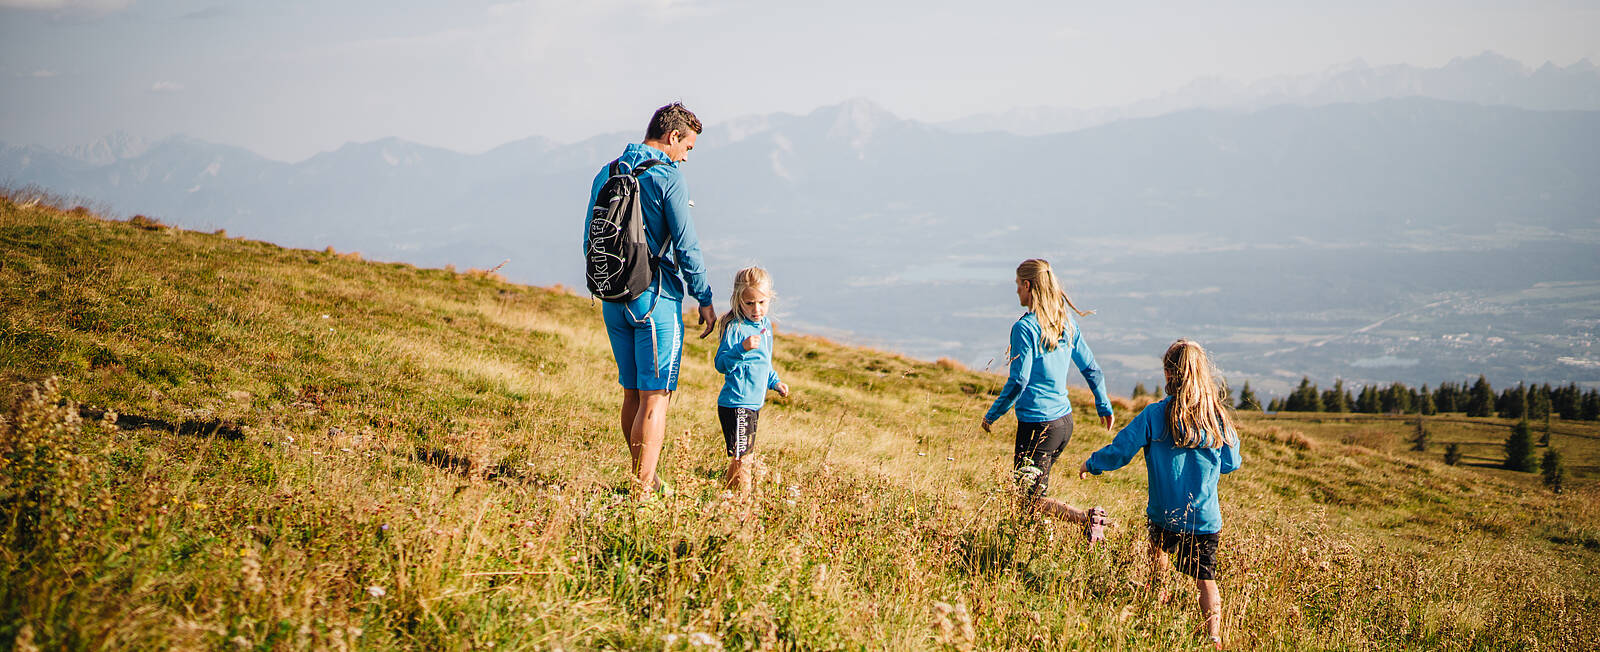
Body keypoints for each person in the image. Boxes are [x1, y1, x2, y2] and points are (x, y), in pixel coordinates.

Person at [584, 102, 716, 496]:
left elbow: (591, 235)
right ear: (673, 136)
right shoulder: (667, 177)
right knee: (655, 397)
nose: (685, 156)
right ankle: (642, 491)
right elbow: (686, 245)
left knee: (632, 393)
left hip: (613, 297)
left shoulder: (608, 172)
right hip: (654, 298)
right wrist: (704, 297)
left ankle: (641, 477)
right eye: (687, 147)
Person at [1078, 339, 1241, 649]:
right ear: (1202, 374)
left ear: (1169, 374)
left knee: (1159, 558)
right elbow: (1231, 463)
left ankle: (1156, 607)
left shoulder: (1154, 415)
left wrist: (1092, 463)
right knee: (1205, 577)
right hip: (1203, 518)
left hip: (1164, 513)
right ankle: (1214, 637)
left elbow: (1121, 450)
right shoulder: (1216, 416)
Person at [980, 259, 1114, 538]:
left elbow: (1019, 380)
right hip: (1063, 423)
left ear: (1027, 286)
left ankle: (1086, 519)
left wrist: (992, 414)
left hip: (1037, 426)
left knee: (1028, 499)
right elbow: (1091, 367)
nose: (1016, 291)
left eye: (1018, 285)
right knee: (1035, 495)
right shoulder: (1065, 323)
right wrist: (1103, 405)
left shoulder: (1024, 328)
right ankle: (1036, 540)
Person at [713, 267, 790, 497]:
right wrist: (741, 348)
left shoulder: (765, 328)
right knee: (743, 460)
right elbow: (721, 363)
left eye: (761, 302)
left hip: (754, 404)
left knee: (742, 458)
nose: (756, 309)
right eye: (749, 303)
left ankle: (726, 501)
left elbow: (764, 362)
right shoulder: (735, 328)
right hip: (736, 404)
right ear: (739, 300)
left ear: (769, 299)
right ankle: (744, 508)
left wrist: (775, 382)